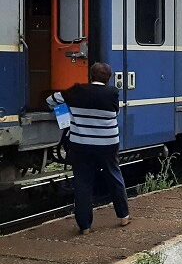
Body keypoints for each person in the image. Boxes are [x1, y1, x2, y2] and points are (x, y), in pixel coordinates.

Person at [46, 63, 130, 234]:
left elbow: (50, 101)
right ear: (108, 78)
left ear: (90, 76)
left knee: (82, 183)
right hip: (107, 145)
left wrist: (64, 114)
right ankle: (124, 216)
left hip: (81, 145)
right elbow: (115, 114)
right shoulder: (112, 93)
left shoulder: (76, 91)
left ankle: (85, 226)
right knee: (114, 177)